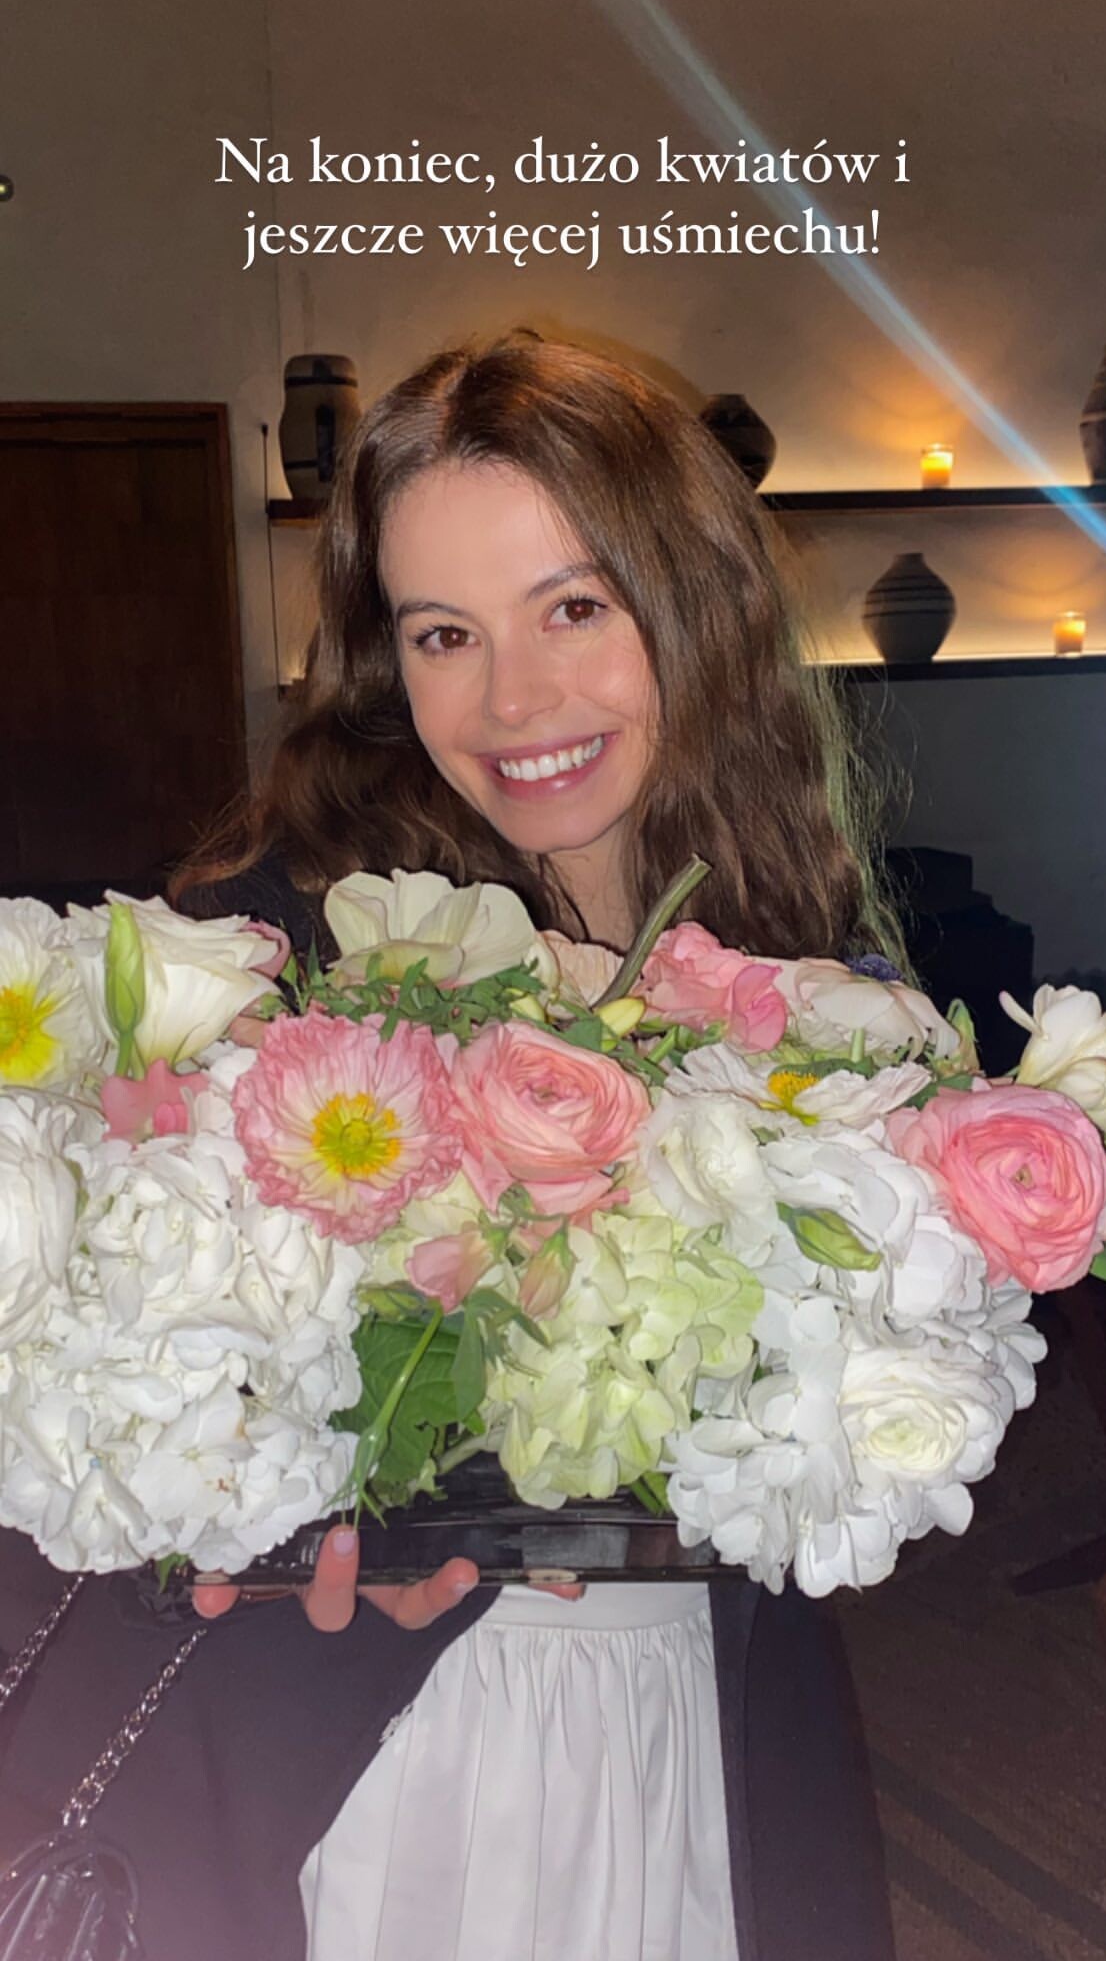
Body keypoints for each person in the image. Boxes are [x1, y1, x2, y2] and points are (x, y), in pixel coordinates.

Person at [0, 334, 898, 1961]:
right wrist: (285, 1536)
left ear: (692, 604)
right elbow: (101, 1373)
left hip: (680, 1712)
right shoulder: (283, 949)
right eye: (443, 634)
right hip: (365, 1744)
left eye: (574, 608)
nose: (513, 702)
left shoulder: (798, 957)